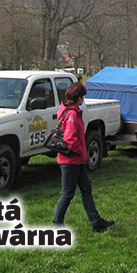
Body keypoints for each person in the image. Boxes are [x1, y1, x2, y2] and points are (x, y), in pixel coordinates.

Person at [52, 81, 115, 232]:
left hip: (76, 160)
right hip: (71, 160)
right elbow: (71, 139)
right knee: (67, 193)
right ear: (78, 97)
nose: (84, 99)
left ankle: (96, 221)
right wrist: (82, 152)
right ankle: (57, 224)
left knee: (86, 189)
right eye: (83, 96)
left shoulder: (67, 109)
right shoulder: (73, 114)